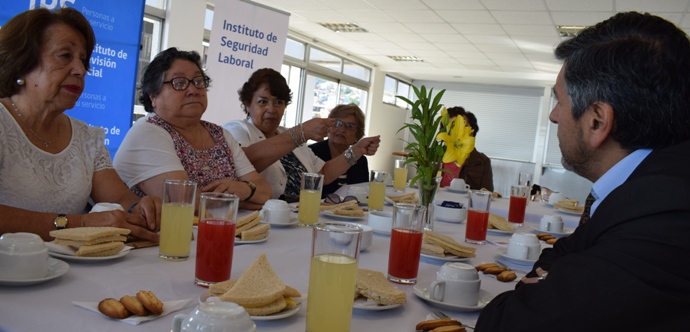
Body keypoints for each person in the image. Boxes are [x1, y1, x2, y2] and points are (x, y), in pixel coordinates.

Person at [476, 12, 690, 331]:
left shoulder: (664, 215)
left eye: (559, 101)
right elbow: (568, 250)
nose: (553, 116)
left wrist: (548, 279)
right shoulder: (644, 187)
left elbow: (507, 322)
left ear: (597, 122)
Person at [0, 8, 161, 242]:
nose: (80, 70)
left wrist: (141, 208)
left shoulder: (86, 137)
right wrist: (81, 223)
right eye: (65, 56)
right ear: (22, 62)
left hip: (67, 271)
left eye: (83, 60)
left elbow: (121, 198)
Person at [113, 48, 271, 210]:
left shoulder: (220, 134)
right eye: (179, 83)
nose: (194, 90)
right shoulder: (147, 132)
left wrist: (246, 189)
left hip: (224, 229)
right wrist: (241, 200)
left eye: (198, 82)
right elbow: (185, 202)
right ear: (153, 96)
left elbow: (265, 192)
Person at [223, 68, 380, 201]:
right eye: (263, 102)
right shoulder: (237, 129)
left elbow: (323, 172)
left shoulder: (286, 133)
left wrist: (357, 150)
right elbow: (242, 163)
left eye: (279, 102)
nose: (271, 109)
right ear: (247, 104)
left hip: (301, 213)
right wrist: (300, 133)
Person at [308, 104, 370, 197]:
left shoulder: (361, 161)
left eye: (350, 126)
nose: (342, 129)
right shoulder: (312, 153)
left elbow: (364, 195)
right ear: (328, 127)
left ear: (357, 136)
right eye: (337, 123)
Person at [457, 111, 493, 191]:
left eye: (464, 126)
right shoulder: (437, 159)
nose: (458, 131)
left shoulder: (483, 161)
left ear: (472, 132)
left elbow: (487, 194)